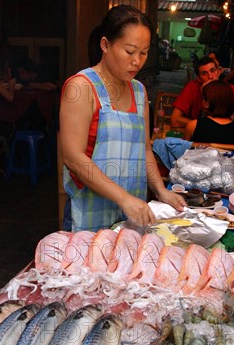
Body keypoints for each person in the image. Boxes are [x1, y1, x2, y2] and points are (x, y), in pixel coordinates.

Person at [59, 5, 186, 232]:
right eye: (130, 51)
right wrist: (123, 198)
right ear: (105, 44)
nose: (137, 61)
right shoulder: (81, 87)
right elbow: (73, 157)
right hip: (89, 212)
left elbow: (145, 149)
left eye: (144, 52)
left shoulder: (139, 91)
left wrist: (160, 190)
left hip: (129, 216)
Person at [171, 56, 224, 128]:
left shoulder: (229, 89)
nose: (210, 76)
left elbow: (230, 123)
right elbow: (175, 120)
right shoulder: (193, 87)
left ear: (218, 72)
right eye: (204, 73)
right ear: (199, 78)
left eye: (213, 70)